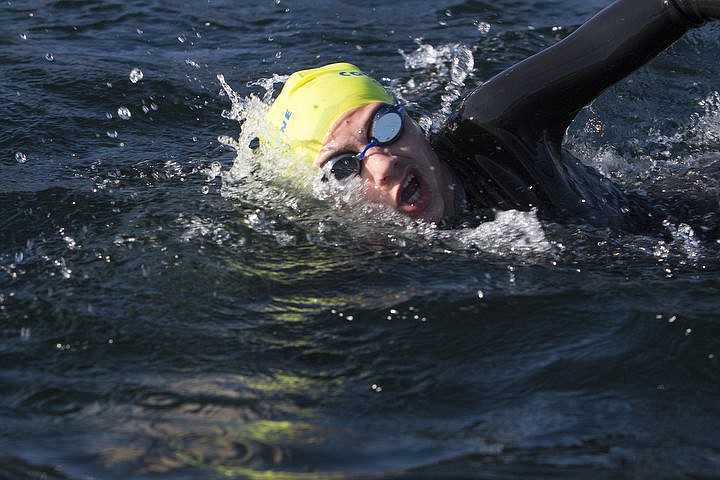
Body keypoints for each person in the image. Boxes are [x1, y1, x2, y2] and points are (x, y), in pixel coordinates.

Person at [265, 0, 720, 235]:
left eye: (384, 127)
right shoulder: (352, 262)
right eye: (343, 166)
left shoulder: (494, 128)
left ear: (413, 121)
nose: (382, 164)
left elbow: (674, 6)